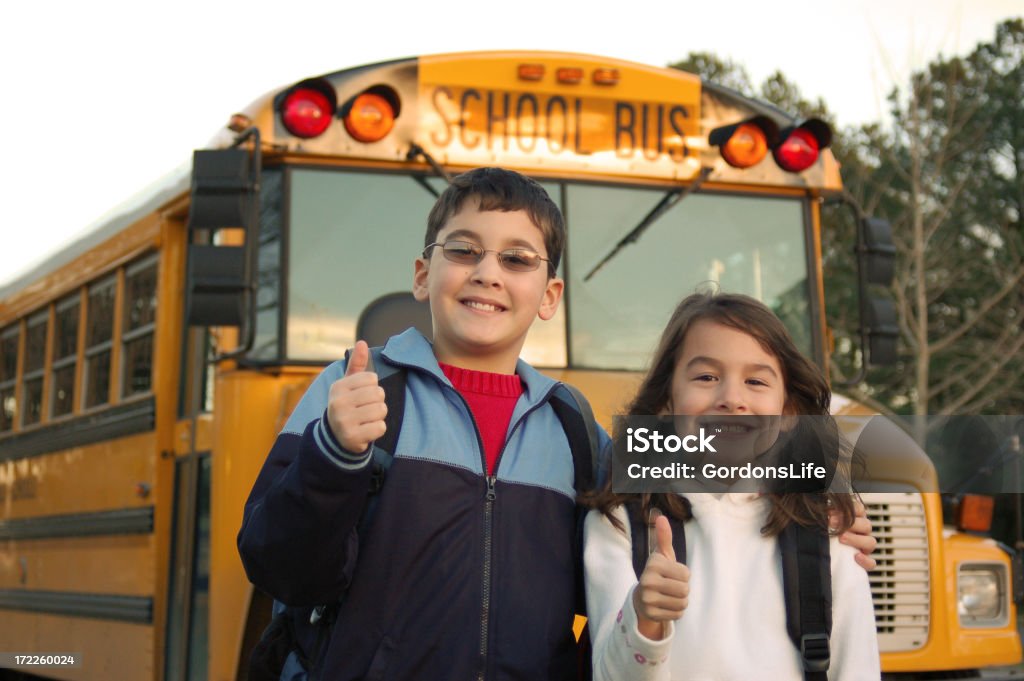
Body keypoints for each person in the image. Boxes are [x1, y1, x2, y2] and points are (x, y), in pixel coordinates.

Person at [238, 169, 877, 681]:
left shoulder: (572, 427)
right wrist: (334, 453)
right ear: (422, 273)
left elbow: (695, 501)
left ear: (549, 295)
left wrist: (810, 512)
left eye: (518, 259)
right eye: (464, 251)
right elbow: (280, 568)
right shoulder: (356, 392)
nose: (488, 272)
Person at [583, 292, 881, 681]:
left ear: (789, 412)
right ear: (666, 403)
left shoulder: (828, 532)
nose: (732, 399)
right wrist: (645, 618)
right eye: (706, 377)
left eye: (756, 381)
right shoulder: (619, 522)